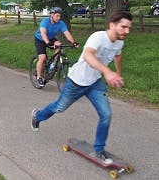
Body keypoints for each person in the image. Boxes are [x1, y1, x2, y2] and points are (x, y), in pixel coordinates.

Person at [31, 10, 133, 165]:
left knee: (106, 114)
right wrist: (107, 71)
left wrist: (118, 74)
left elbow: (118, 55)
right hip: (76, 82)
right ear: (112, 25)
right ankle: (37, 116)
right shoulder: (98, 37)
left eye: (129, 28)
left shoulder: (119, 41)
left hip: (95, 83)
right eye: (124, 27)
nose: (127, 31)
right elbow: (88, 55)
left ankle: (99, 150)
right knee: (60, 107)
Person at [34, 7, 78, 87]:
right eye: (57, 16)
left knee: (59, 44)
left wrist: (73, 42)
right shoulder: (45, 22)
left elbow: (67, 33)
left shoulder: (61, 23)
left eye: (59, 16)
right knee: (42, 57)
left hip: (50, 38)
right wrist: (48, 43)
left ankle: (53, 64)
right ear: (52, 15)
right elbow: (43, 33)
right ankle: (39, 77)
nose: (59, 18)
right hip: (40, 39)